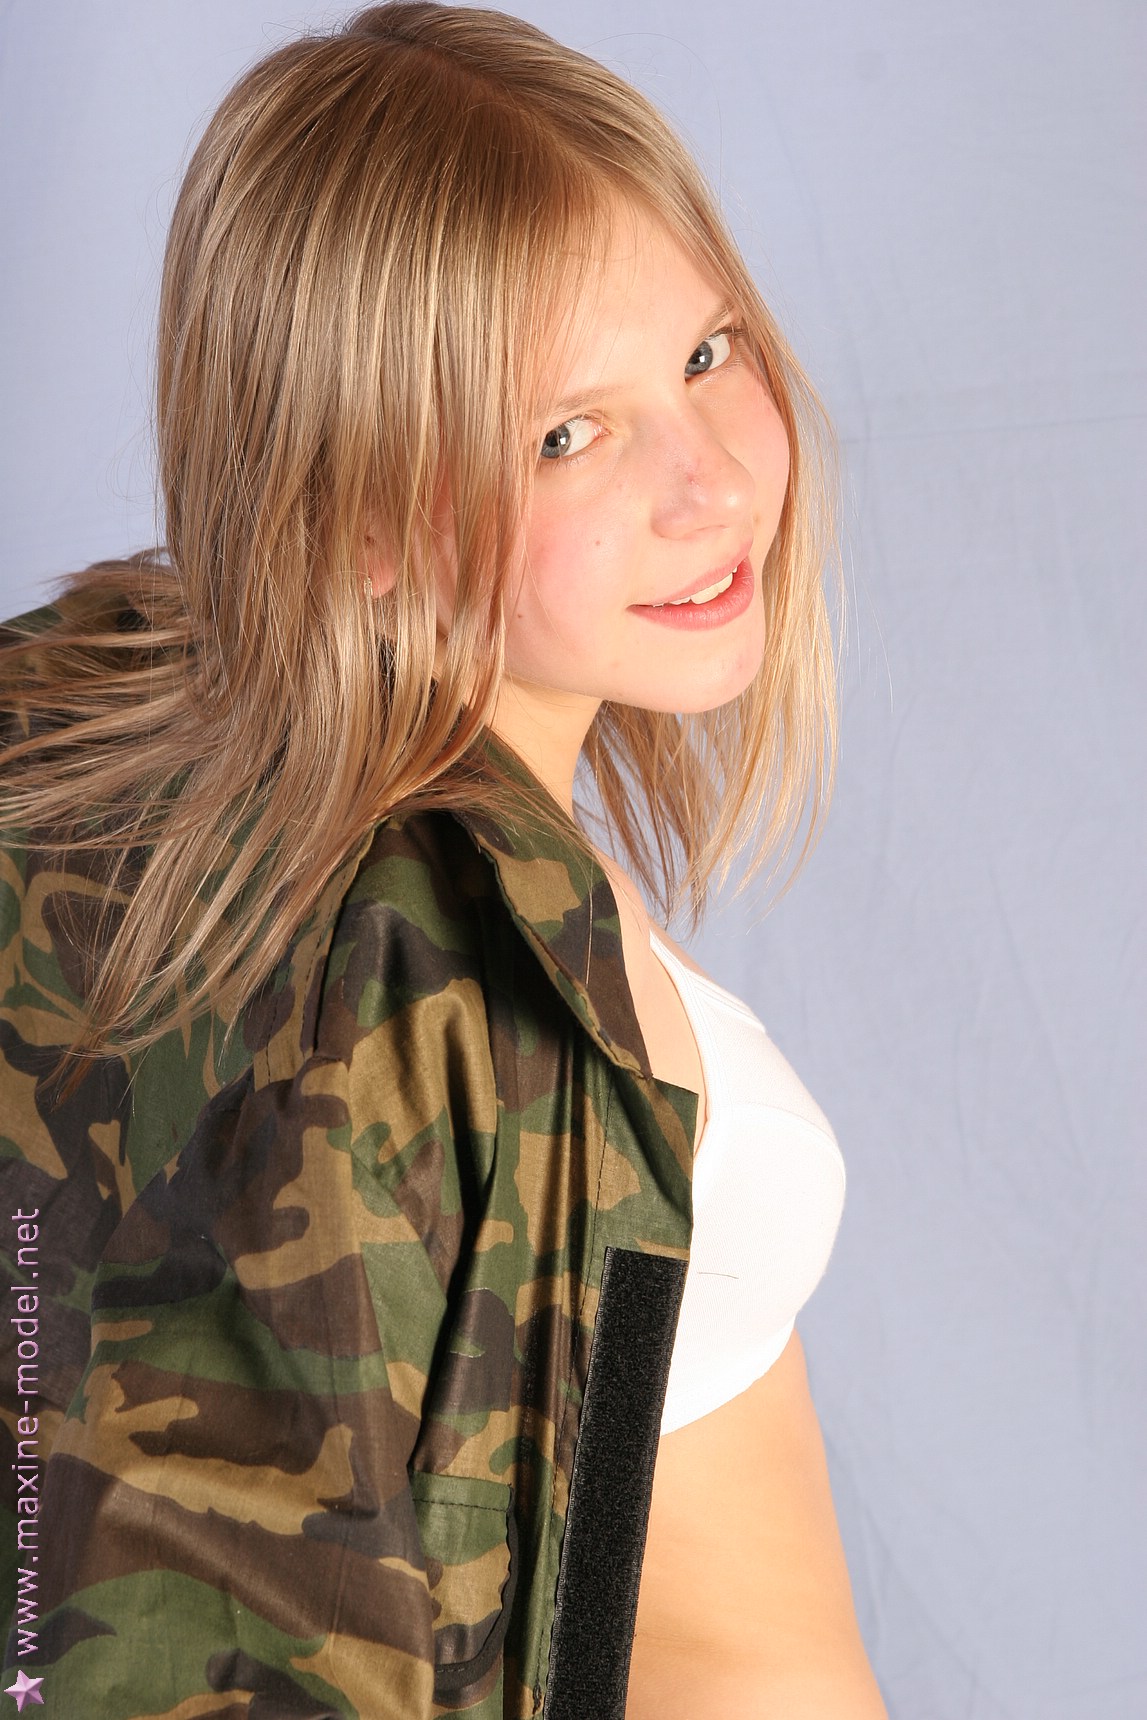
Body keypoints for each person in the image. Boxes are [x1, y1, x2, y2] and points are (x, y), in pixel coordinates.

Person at [0, 5, 887, 1715]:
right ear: (361, 516)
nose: (709, 483)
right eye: (566, 434)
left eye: (707, 353)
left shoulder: (124, 776)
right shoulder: (424, 989)